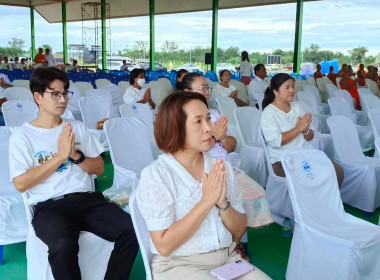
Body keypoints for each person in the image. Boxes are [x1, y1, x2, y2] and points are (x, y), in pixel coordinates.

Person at [8, 67, 139, 280]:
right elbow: (21, 184)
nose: (62, 99)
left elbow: (99, 168)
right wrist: (60, 157)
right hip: (50, 206)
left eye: (65, 93)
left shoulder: (77, 127)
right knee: (62, 243)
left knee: (132, 229)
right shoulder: (22, 137)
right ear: (38, 97)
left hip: (88, 201)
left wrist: (75, 156)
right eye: (55, 94)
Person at [137, 91, 272, 280]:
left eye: (208, 119)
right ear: (175, 127)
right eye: (198, 121)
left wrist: (222, 202)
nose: (209, 127)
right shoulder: (157, 175)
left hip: (226, 260)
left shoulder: (220, 166)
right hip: (178, 265)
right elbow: (164, 245)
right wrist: (206, 201)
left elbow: (238, 230)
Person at [179, 72, 273, 230]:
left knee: (257, 193)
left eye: (208, 88)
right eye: (202, 89)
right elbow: (189, 150)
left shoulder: (214, 114)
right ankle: (231, 239)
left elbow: (232, 144)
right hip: (200, 171)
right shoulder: (181, 117)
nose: (207, 92)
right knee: (223, 202)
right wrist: (215, 137)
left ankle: (237, 239)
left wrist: (222, 139)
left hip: (224, 166)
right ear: (188, 92)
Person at [260, 73, 344, 187]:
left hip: (305, 155)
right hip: (283, 161)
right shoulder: (269, 113)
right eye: (287, 87)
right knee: (315, 178)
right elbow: (276, 141)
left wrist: (305, 131)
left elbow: (310, 136)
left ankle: (325, 202)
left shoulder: (297, 108)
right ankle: (314, 203)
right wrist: (298, 128)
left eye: (293, 86)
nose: (292, 90)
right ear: (275, 91)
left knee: (337, 171)